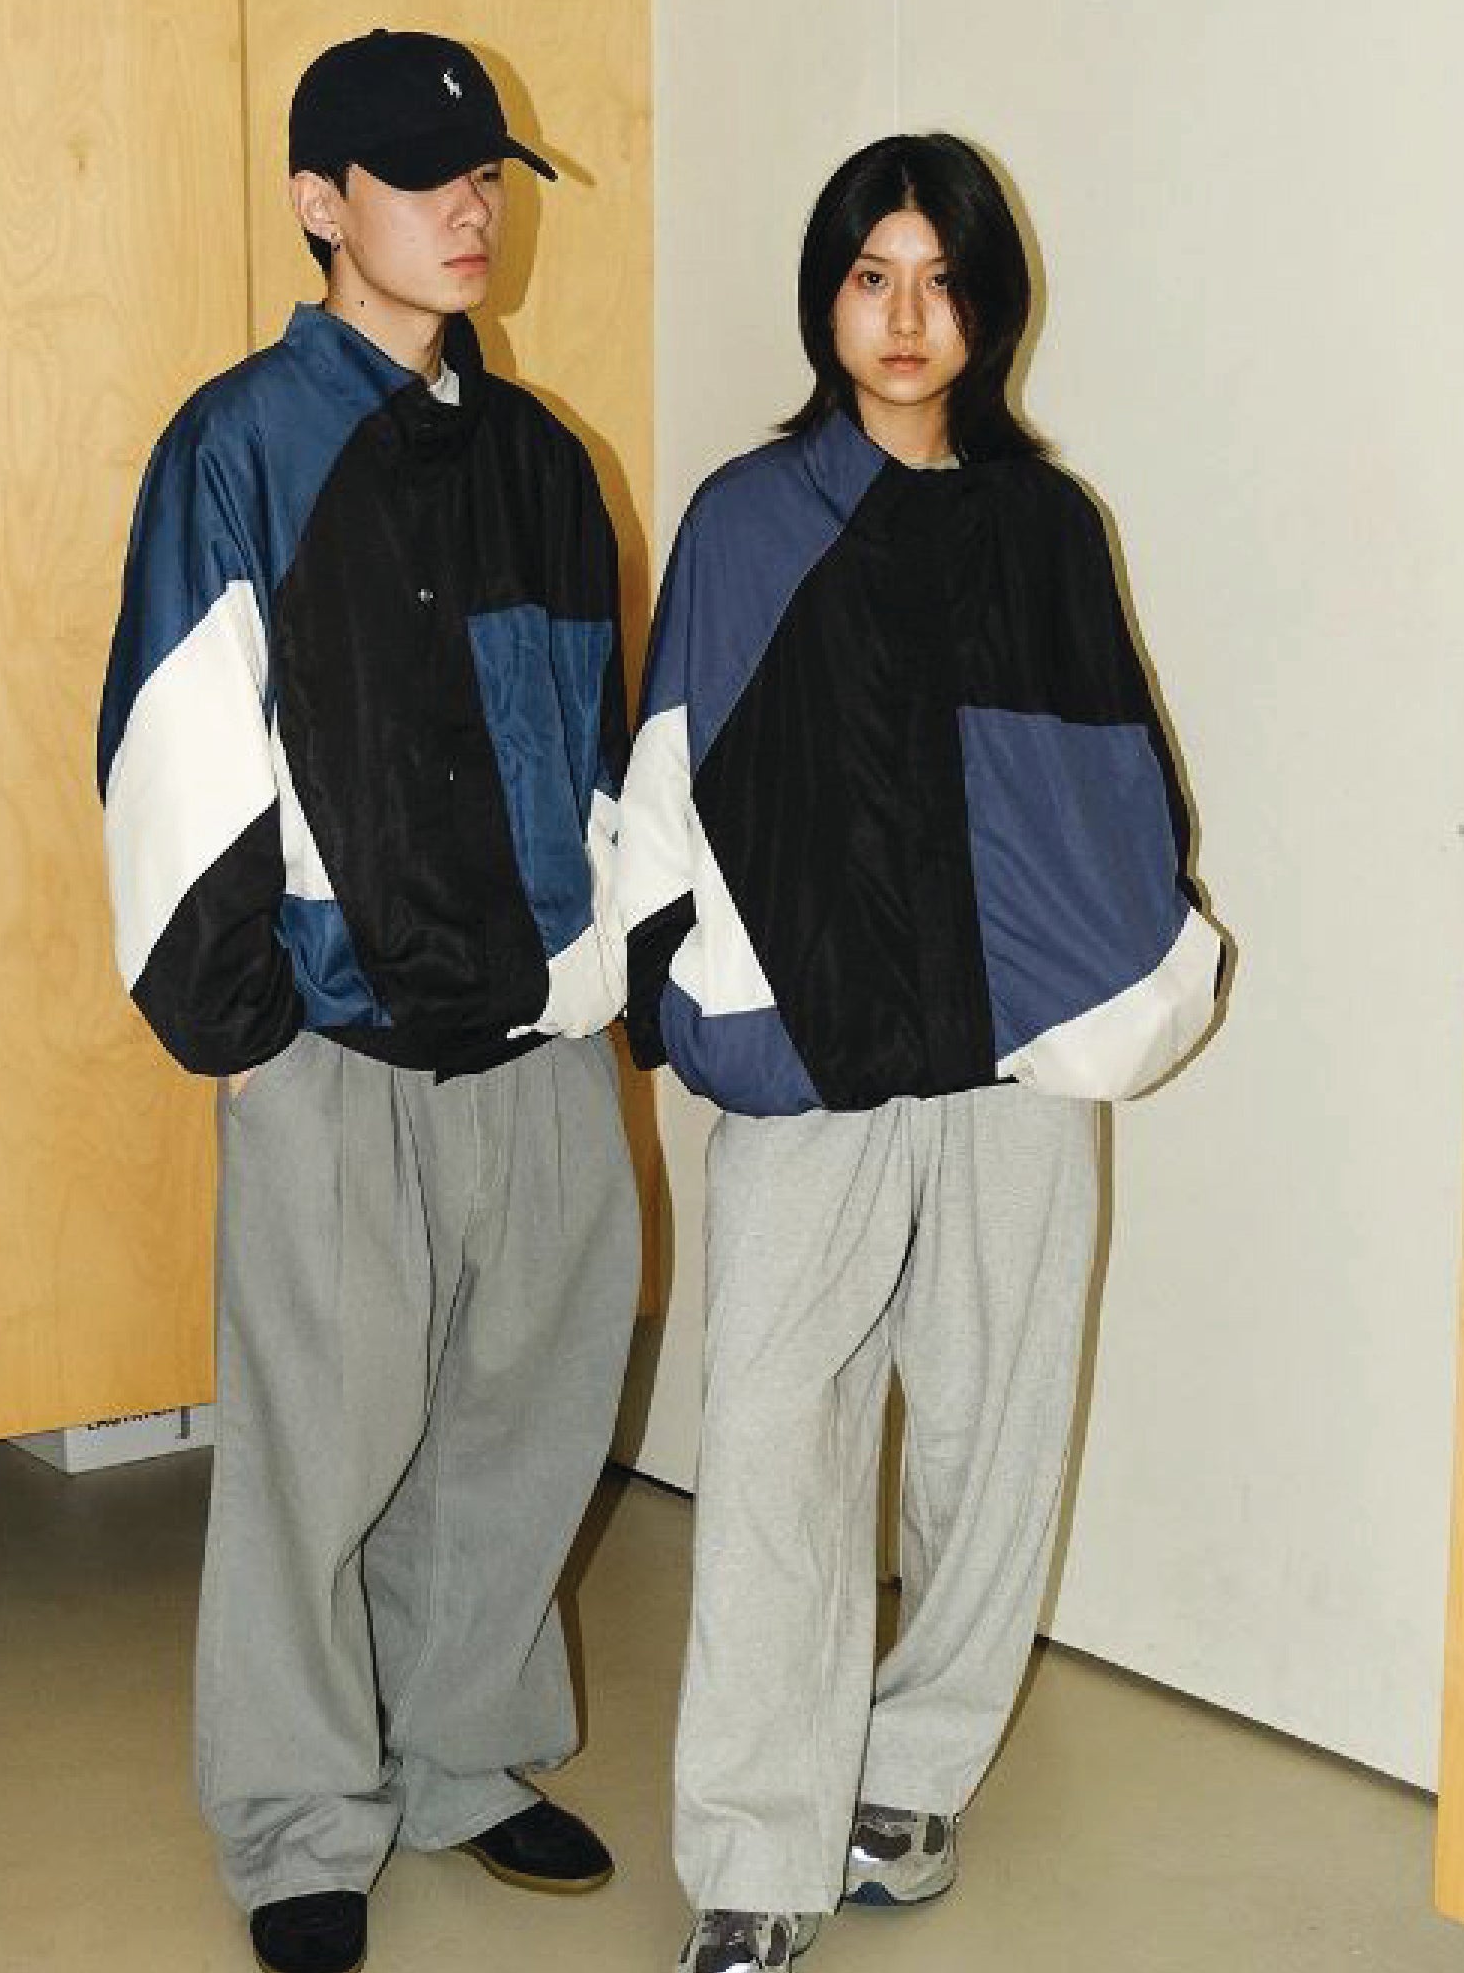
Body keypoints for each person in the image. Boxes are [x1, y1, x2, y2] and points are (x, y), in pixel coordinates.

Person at [616, 133, 1223, 1973]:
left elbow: (1119, 793)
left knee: (988, 1443)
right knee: (778, 1453)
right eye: (872, 276)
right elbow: (663, 801)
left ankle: (914, 1777)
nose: (905, 317)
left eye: (939, 279)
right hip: (813, 1071)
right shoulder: (747, 518)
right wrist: (722, 1023)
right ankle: (751, 1854)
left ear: (987, 306)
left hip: (1008, 1078)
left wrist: (1108, 1008)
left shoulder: (1046, 527)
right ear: (828, 297)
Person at [96, 30, 640, 1973]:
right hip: (322, 1023)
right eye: (422, 176)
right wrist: (235, 1026)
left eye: (485, 172)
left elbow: (594, 748)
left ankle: (470, 1755)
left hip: (534, 1024)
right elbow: (173, 755)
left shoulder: (542, 458)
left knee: (525, 1404)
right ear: (322, 204)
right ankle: (297, 1813)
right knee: (322, 1438)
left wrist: (609, 985)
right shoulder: (236, 445)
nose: (469, 205)